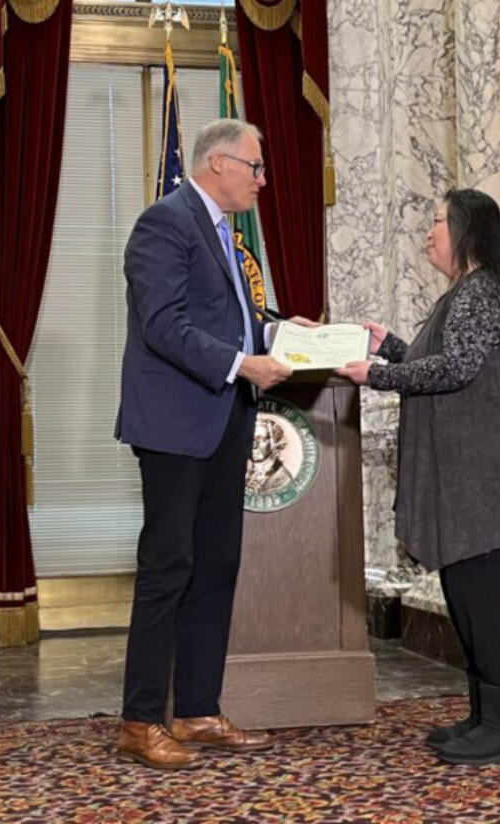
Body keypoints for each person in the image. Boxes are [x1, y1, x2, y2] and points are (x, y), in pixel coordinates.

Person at [114, 119, 300, 770]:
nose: (262, 179)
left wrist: (279, 331)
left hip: (225, 422)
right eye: (255, 166)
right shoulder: (164, 224)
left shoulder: (224, 233)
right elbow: (164, 324)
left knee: (216, 566)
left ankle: (195, 710)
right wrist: (243, 364)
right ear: (218, 164)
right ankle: (140, 721)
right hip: (174, 426)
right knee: (168, 569)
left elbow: (231, 318)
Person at [337, 189, 500, 765]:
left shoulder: (480, 291)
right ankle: (484, 715)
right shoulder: (468, 291)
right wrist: (393, 346)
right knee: (468, 596)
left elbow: (456, 369)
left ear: (468, 231)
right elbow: (451, 359)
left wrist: (374, 373)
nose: (429, 233)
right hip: (472, 476)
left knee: (487, 601)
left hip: (486, 478)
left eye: (437, 222)